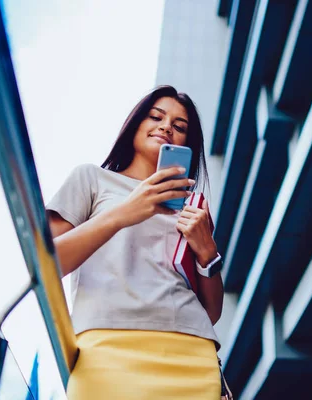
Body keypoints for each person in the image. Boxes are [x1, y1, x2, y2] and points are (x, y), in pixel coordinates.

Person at [47, 85, 225, 399]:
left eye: (179, 126)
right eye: (155, 116)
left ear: (188, 144)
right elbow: (47, 264)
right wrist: (125, 212)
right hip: (104, 347)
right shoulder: (92, 179)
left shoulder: (193, 205)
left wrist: (208, 252)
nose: (166, 127)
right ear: (135, 125)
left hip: (189, 351)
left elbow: (212, 311)